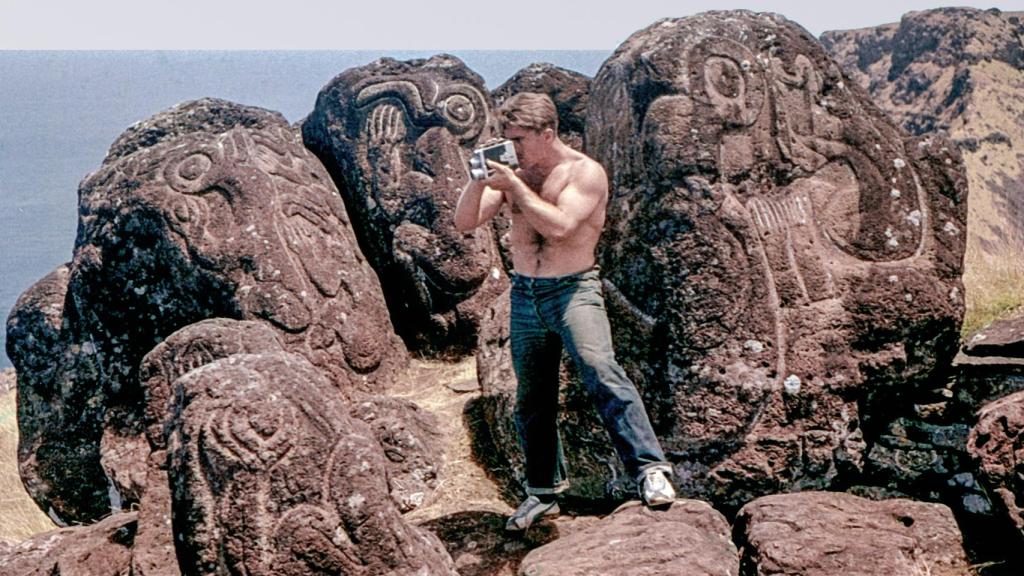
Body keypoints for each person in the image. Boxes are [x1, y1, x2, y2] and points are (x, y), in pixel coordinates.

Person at [454, 92, 675, 531]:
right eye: (506, 138)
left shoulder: (584, 173)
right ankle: (542, 492)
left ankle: (651, 470)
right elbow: (464, 222)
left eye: (518, 138)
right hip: (525, 294)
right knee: (532, 399)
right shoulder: (516, 171)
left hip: (573, 290)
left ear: (547, 133)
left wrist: (514, 186)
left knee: (601, 370)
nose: (510, 147)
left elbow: (560, 226)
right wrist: (479, 180)